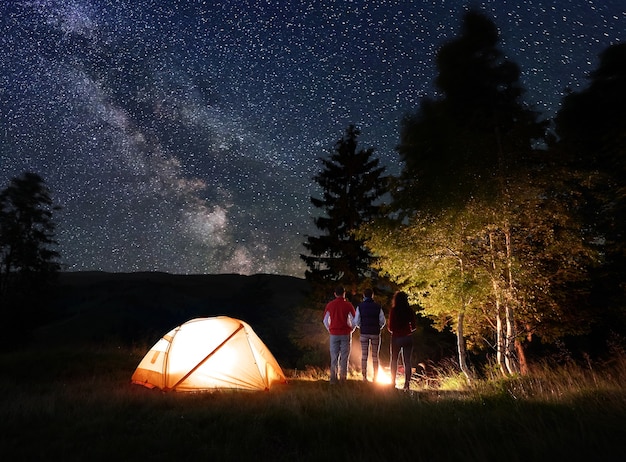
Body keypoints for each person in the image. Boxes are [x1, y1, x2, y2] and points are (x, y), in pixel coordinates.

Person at [323, 286, 356, 384]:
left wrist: (330, 329)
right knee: (344, 357)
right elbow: (354, 320)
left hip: (334, 334)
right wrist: (351, 329)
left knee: (334, 357)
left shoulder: (330, 305)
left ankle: (333, 379)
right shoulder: (348, 305)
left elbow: (325, 320)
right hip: (345, 333)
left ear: (335, 294)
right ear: (344, 293)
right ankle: (343, 379)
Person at [354, 288, 386, 382]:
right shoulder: (378, 306)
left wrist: (361, 326)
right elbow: (382, 321)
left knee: (364, 355)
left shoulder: (360, 306)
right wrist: (378, 327)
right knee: (375, 356)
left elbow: (356, 321)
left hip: (364, 333)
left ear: (363, 296)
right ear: (372, 295)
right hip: (375, 333)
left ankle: (364, 377)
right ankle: (375, 377)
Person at [388, 291, 417, 390]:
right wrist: (408, 330)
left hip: (396, 337)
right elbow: (414, 327)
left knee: (394, 360)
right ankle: (407, 385)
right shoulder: (409, 310)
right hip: (407, 337)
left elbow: (390, 327)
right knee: (407, 362)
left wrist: (396, 330)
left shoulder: (394, 310)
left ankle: (392, 382)